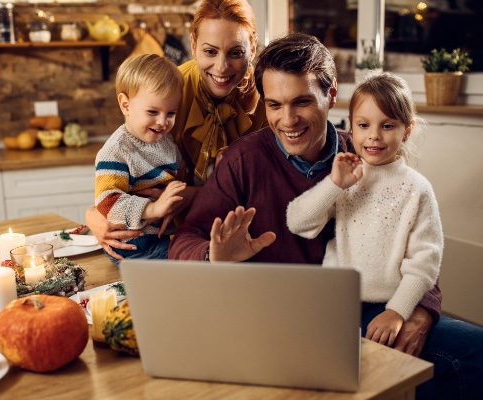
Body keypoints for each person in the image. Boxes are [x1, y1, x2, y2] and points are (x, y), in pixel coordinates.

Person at [169, 32, 483, 399]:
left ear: (331, 93)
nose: (287, 120)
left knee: (474, 354)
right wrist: (213, 255)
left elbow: (421, 249)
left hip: (361, 315)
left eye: (302, 101)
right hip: (273, 321)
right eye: (274, 105)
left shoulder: (368, 153)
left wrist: (421, 312)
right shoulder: (243, 161)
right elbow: (186, 239)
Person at [86, 0, 267, 260]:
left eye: (236, 53)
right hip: (174, 237)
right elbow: (121, 173)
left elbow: (270, 187)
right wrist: (93, 214)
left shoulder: (269, 98)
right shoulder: (169, 92)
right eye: (210, 52)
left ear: (252, 46)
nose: (222, 67)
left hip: (246, 232)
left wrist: (193, 194)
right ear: (193, 45)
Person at [286, 73, 443, 347]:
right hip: (337, 306)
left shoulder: (417, 189)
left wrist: (397, 311)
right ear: (352, 126)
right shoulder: (346, 176)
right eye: (363, 124)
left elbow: (424, 263)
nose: (373, 135)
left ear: (406, 130)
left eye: (387, 126)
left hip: (389, 306)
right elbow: (298, 222)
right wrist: (335, 184)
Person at [94, 54, 187, 264]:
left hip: (162, 237)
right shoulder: (116, 150)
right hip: (133, 246)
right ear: (125, 105)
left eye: (171, 113)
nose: (163, 122)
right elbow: (107, 201)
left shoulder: (167, 143)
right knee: (189, 263)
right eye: (152, 112)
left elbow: (183, 178)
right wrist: (154, 208)